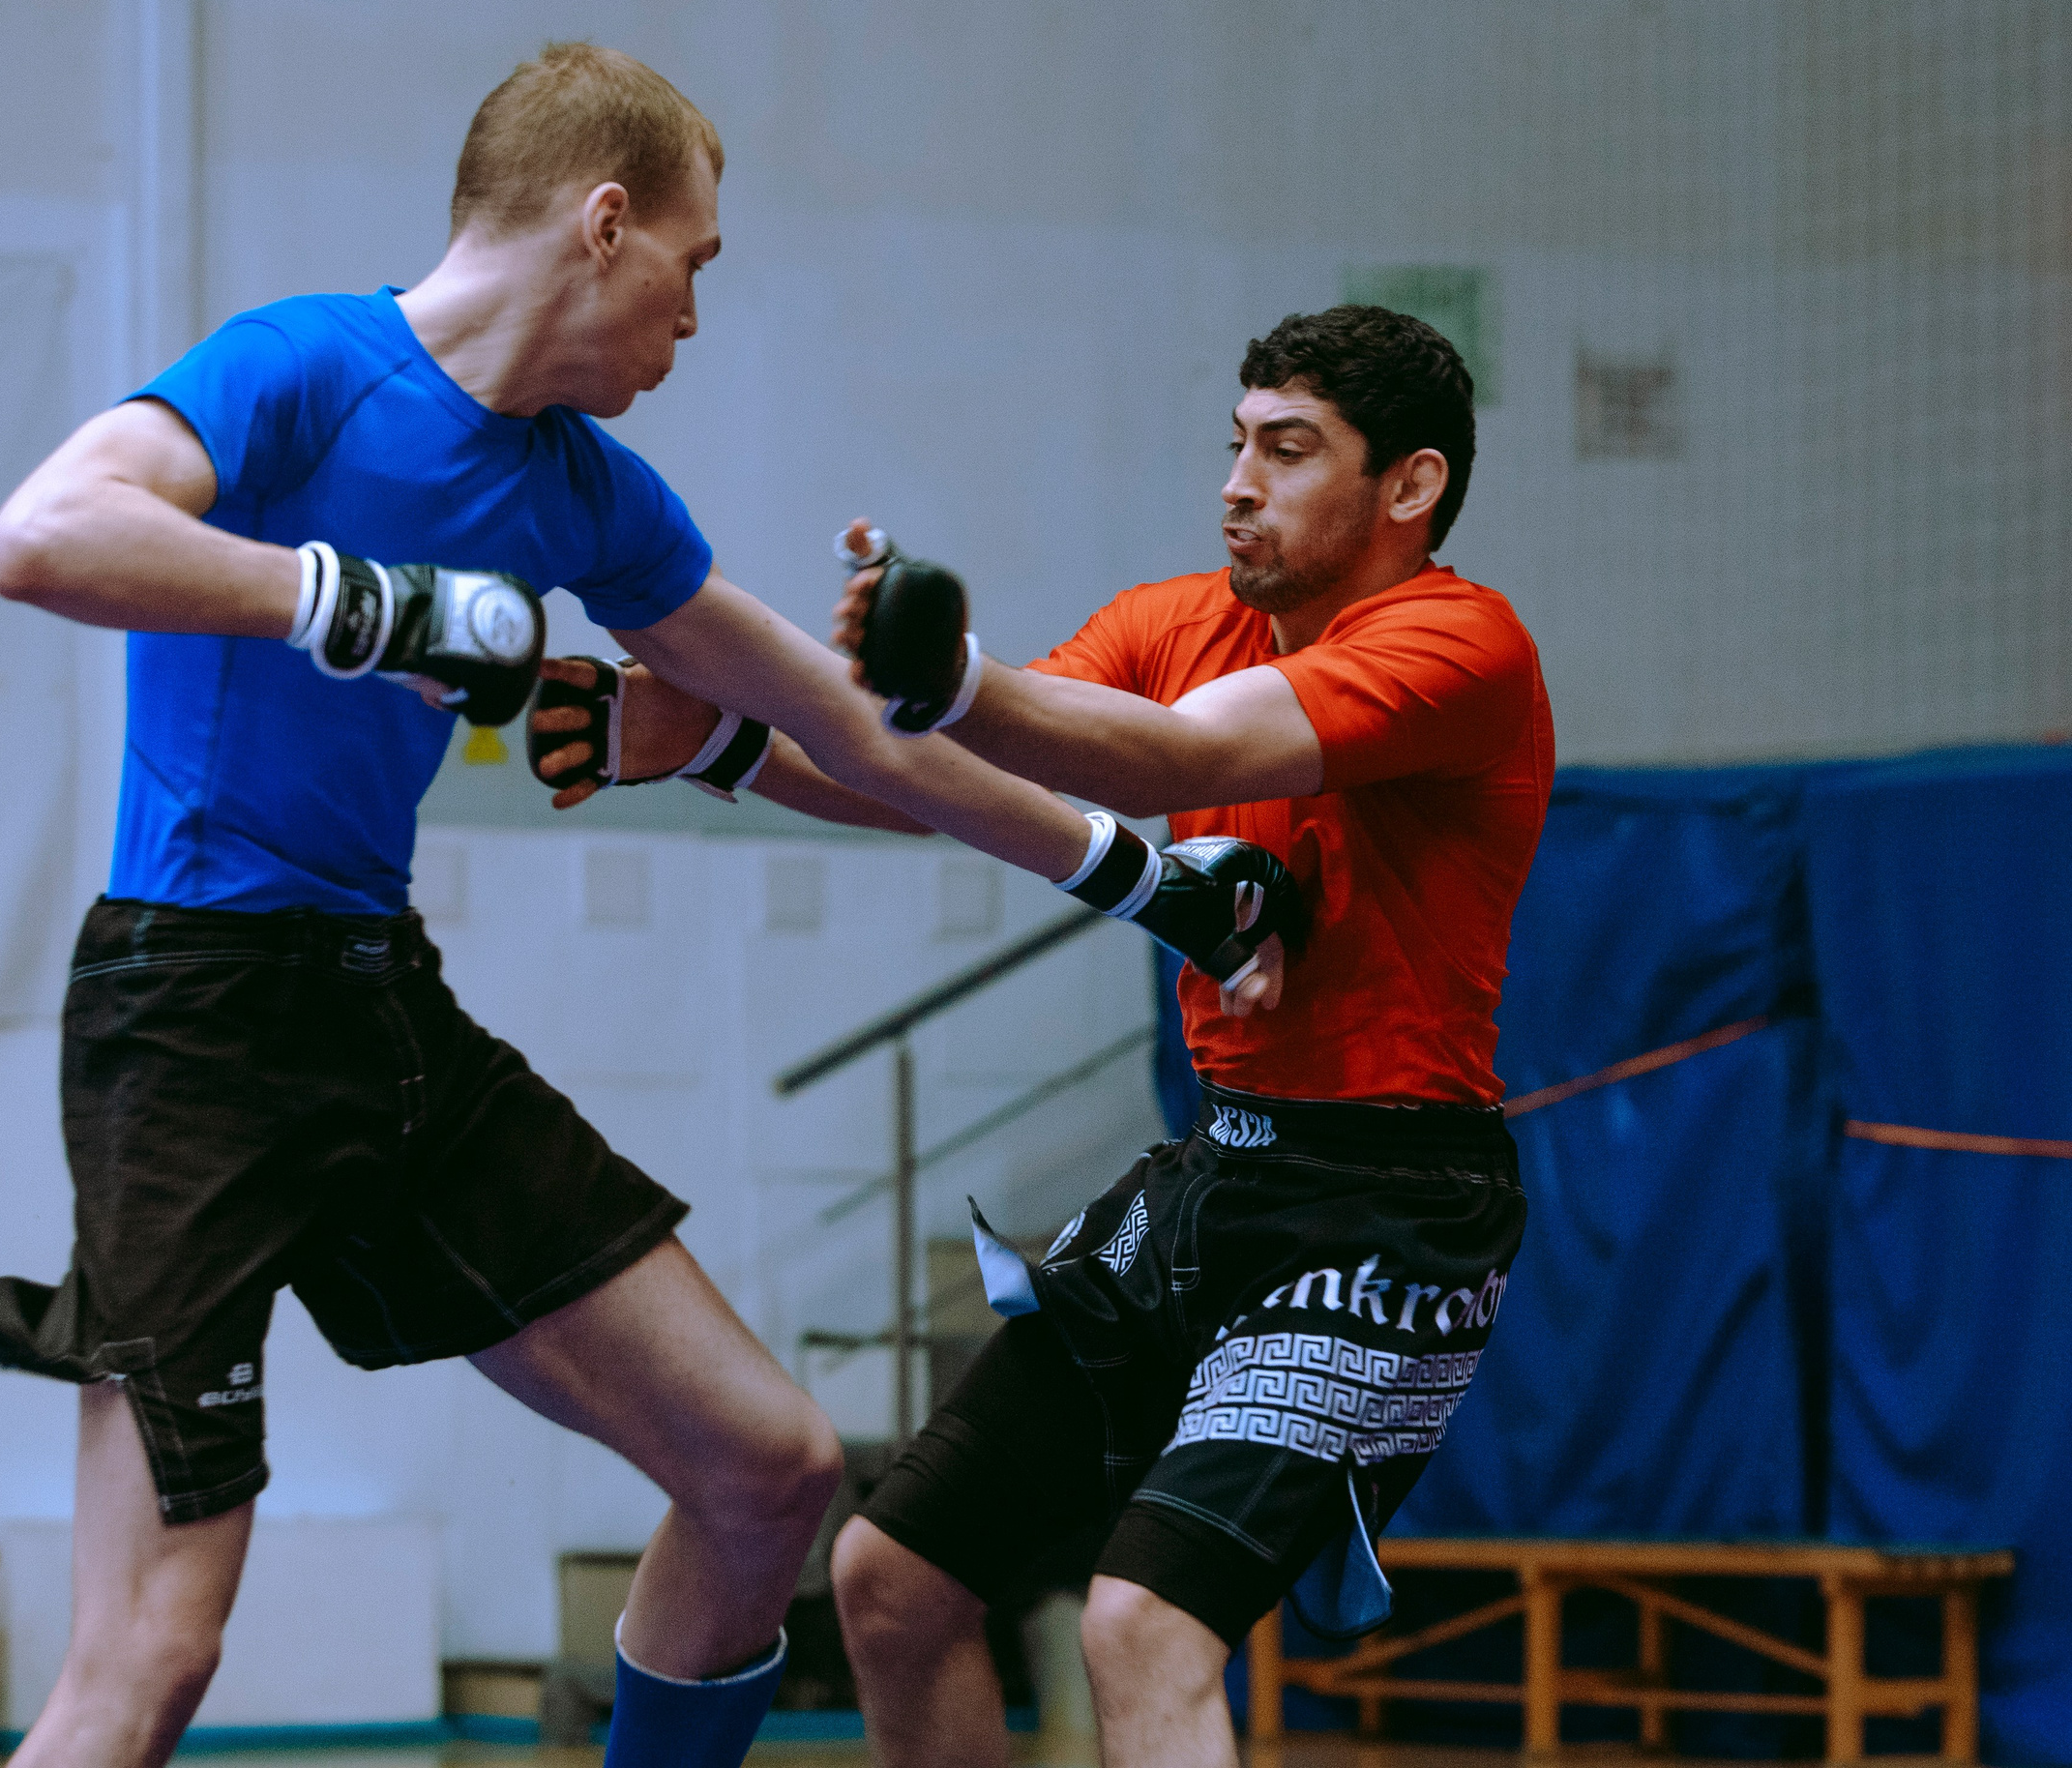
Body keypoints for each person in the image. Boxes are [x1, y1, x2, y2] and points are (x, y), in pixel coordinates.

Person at [0, 42, 1289, 1768]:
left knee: (770, 1465)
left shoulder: (582, 489)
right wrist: (371, 606)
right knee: (153, 1652)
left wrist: (1147, 882)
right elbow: (42, 534)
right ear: (603, 224)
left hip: (387, 1018)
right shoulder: (303, 365)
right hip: (191, 1027)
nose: (696, 319)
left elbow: (855, 735)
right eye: (696, 264)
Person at [565, 304, 1551, 1768]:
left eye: (1288, 451)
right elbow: (951, 773)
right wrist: (720, 745)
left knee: (1141, 1626)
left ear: (1408, 488)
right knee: (889, 1581)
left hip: (1390, 1213)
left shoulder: (1458, 642)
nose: (1237, 481)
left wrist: (948, 676)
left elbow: (1178, 753)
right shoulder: (1180, 616)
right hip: (1219, 1173)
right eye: (1235, 444)